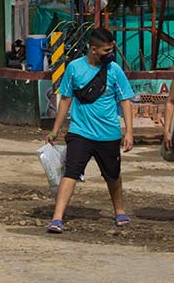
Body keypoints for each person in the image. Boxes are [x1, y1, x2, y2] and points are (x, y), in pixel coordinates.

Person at [44, 27, 134, 233]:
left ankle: (119, 211)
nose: (109, 54)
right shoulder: (74, 69)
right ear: (93, 49)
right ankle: (57, 218)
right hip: (80, 132)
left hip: (109, 134)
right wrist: (55, 130)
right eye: (105, 50)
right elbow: (65, 99)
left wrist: (128, 132)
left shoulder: (114, 71)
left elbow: (126, 102)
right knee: (71, 173)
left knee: (112, 175)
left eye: (111, 49)